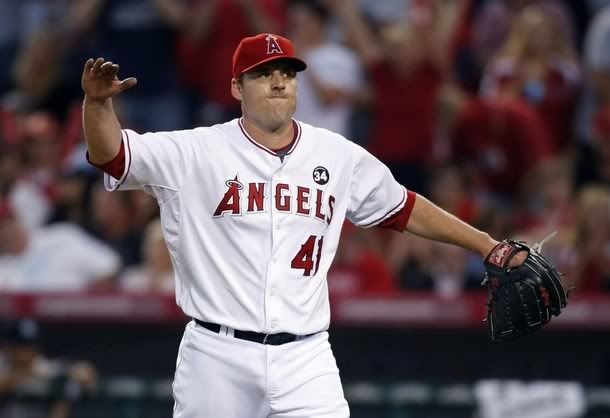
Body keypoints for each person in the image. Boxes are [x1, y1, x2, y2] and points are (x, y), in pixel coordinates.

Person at [81, 32, 526, 417]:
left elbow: (403, 207)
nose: (278, 81)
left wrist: (487, 245)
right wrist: (97, 105)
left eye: (287, 73)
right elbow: (112, 155)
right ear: (236, 87)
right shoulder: (195, 151)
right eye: (263, 73)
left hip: (306, 354)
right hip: (218, 354)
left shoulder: (337, 154)